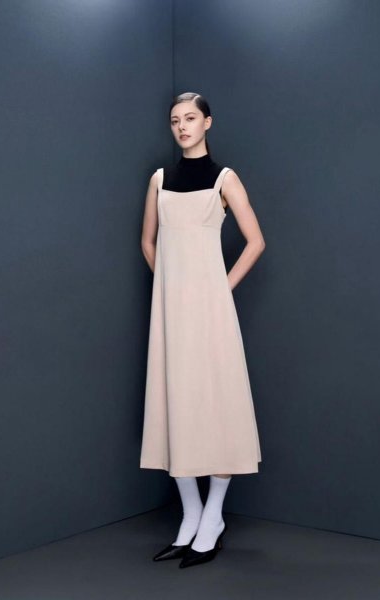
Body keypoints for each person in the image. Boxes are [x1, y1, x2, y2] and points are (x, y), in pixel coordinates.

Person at [139, 92, 266, 568]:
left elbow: (256, 242)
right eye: (175, 120)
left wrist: (218, 289)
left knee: (217, 405)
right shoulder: (159, 180)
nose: (182, 126)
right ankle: (190, 514)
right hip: (171, 313)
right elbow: (148, 241)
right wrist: (171, 287)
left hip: (212, 313)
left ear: (207, 122)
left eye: (190, 118)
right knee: (175, 403)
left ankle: (212, 518)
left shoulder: (224, 179)